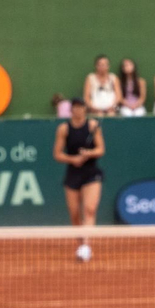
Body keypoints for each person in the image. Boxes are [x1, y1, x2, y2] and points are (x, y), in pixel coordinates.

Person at [54, 98, 105, 263]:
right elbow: (57, 154)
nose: (78, 110)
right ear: (71, 110)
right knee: (75, 213)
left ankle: (86, 246)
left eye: (81, 107)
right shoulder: (63, 129)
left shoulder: (93, 126)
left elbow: (100, 149)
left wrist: (88, 154)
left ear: (85, 109)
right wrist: (73, 159)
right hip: (73, 173)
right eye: (75, 107)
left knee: (89, 209)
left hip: (91, 173)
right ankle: (81, 243)